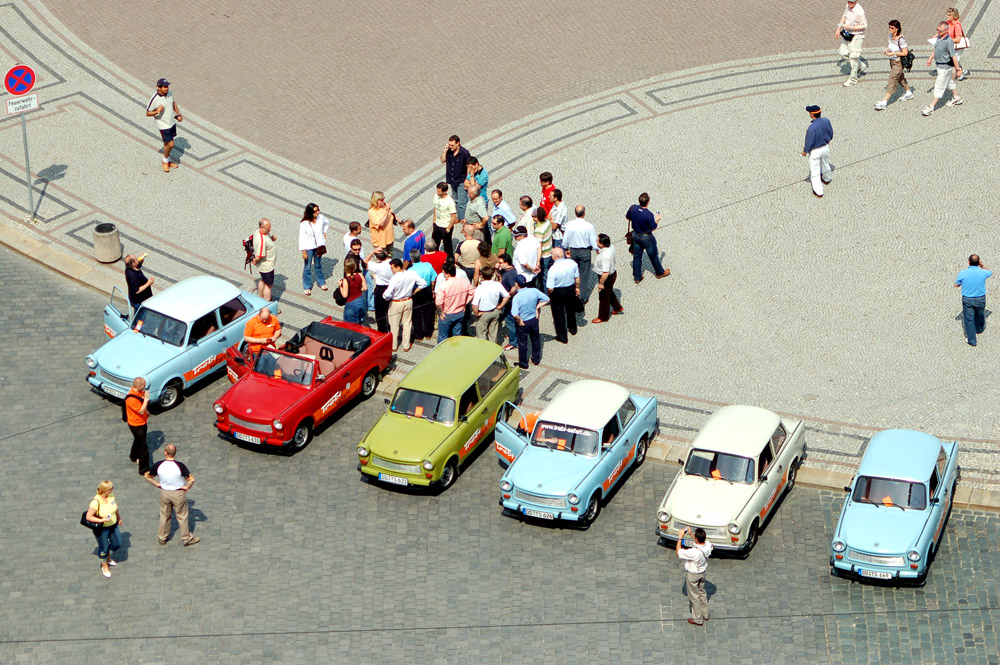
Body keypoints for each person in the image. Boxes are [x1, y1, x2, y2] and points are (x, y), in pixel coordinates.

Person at [144, 444, 199, 546]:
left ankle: (162, 537)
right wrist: (186, 487)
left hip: (164, 493)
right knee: (182, 516)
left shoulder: (158, 465)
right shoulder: (180, 466)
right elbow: (191, 479)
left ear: (165, 452)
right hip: (178, 493)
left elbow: (147, 476)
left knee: (164, 515)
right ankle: (186, 538)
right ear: (175, 453)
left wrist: (157, 484)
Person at [384, 259, 427, 352]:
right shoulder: (412, 273)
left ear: (398, 267)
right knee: (407, 323)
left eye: (392, 268)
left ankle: (394, 346)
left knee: (394, 325)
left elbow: (387, 294)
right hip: (408, 300)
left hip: (396, 302)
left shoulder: (394, 278)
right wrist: (414, 291)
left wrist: (386, 298)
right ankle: (406, 345)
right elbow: (423, 283)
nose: (392, 271)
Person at [922, 22, 964, 116]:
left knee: (939, 86)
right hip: (940, 65)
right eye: (937, 30)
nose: (938, 32)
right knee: (949, 82)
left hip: (945, 67)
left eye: (940, 30)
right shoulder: (938, 38)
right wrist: (930, 58)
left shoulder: (949, 41)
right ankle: (956, 97)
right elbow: (936, 49)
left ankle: (931, 107)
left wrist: (958, 69)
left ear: (946, 30)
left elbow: (953, 56)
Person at [626, 193, 670, 282]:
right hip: (646, 237)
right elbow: (653, 227)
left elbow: (628, 217)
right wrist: (657, 220)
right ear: (648, 202)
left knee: (637, 256)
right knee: (653, 256)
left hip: (635, 234)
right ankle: (659, 272)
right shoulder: (648, 214)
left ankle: (637, 277)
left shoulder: (633, 208)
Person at [676, 527, 713, 626]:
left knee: (694, 597)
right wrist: (692, 534)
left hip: (693, 575)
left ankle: (697, 618)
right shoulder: (708, 545)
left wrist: (680, 538)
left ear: (696, 539)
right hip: (702, 572)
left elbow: (678, 552)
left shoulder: (694, 552)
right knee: (702, 592)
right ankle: (705, 614)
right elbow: (698, 543)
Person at [85, 480, 122, 578]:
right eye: (110, 489)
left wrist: (119, 517)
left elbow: (115, 507)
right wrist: (101, 520)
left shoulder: (111, 495)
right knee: (104, 548)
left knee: (117, 544)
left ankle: (108, 557)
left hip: (113, 524)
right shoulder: (95, 502)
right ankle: (104, 565)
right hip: (102, 529)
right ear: (105, 490)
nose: (112, 490)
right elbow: (88, 517)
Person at [511, 276, 550, 368]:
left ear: (517, 284)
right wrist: (537, 307)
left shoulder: (517, 297)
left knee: (522, 343)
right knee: (535, 339)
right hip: (533, 320)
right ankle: (536, 358)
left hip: (523, 322)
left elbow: (514, 314)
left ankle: (524, 363)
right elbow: (547, 299)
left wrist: (519, 321)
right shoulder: (534, 291)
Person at [874, 21, 914, 111]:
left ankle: (884, 102)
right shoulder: (891, 37)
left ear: (897, 28)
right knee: (900, 78)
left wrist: (894, 53)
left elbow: (905, 52)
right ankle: (909, 92)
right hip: (892, 61)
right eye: (889, 27)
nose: (890, 29)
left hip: (898, 63)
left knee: (892, 79)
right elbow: (890, 45)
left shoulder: (901, 39)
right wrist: (886, 49)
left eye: (892, 28)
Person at [563, 205, 599, 302]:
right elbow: (593, 241)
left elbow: (565, 240)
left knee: (572, 273)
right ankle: (583, 297)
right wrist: (597, 249)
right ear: (584, 213)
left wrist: (565, 248)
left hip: (573, 251)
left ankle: (572, 294)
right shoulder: (589, 226)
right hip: (585, 252)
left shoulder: (569, 225)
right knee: (584, 274)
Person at [145, 78, 182, 172]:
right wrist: (157, 111)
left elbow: (173, 103)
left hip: (171, 122)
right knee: (171, 144)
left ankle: (168, 160)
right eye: (165, 87)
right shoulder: (155, 99)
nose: (167, 88)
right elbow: (148, 113)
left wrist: (179, 114)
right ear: (159, 87)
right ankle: (165, 160)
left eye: (167, 86)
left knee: (167, 144)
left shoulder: (169, 93)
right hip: (163, 125)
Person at [955, 254, 992, 346]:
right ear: (978, 262)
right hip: (980, 298)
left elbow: (956, 284)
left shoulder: (963, 273)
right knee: (980, 313)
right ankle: (979, 329)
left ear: (969, 262)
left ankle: (972, 340)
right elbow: (990, 272)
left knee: (969, 319)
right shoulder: (983, 272)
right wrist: (982, 266)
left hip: (968, 299)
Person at [545, 247, 580, 344]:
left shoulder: (553, 270)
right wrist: (577, 288)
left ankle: (562, 336)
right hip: (570, 288)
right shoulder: (572, 263)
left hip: (558, 292)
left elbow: (550, 288)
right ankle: (573, 328)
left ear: (554, 257)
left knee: (558, 314)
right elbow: (577, 277)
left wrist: (549, 294)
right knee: (570, 310)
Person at [435, 262, 473, 341]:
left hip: (447, 314)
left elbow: (438, 303)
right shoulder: (464, 281)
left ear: (447, 274)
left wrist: (441, 312)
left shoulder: (443, 285)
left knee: (443, 337)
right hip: (460, 312)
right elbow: (472, 293)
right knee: (457, 335)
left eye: (443, 273)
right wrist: (465, 303)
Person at [802, 106, 834, 198]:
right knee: (825, 163)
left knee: (815, 170)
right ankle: (827, 178)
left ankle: (818, 191)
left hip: (815, 151)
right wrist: (828, 140)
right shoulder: (826, 121)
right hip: (825, 147)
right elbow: (831, 133)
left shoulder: (812, 128)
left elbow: (809, 142)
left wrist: (805, 151)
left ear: (812, 114)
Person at [472, 265, 510, 343]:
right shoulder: (497, 284)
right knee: (493, 334)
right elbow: (507, 296)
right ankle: (493, 350)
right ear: (492, 275)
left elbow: (475, 305)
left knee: (482, 334)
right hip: (495, 311)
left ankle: (485, 351)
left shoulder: (479, 288)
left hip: (483, 313)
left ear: (481, 276)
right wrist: (500, 306)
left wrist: (476, 313)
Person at [591, 234, 624, 323]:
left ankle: (603, 317)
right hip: (612, 274)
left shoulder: (605, 256)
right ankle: (617, 307)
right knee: (609, 291)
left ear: (601, 244)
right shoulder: (610, 247)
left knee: (603, 297)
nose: (595, 241)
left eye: (597, 241)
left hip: (606, 277)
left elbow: (605, 273)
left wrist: (601, 283)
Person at [408, 249, 438, 343]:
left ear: (411, 259)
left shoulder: (410, 270)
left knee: (416, 313)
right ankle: (428, 333)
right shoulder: (428, 265)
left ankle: (418, 334)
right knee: (428, 312)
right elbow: (433, 278)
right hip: (428, 289)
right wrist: (433, 289)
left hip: (416, 292)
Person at [299, 202, 328, 295]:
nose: (318, 212)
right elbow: (301, 238)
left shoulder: (321, 218)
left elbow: (327, 223)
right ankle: (307, 286)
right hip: (308, 247)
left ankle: (321, 282)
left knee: (318, 264)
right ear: (310, 212)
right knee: (307, 267)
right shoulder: (304, 223)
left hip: (319, 246)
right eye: (315, 211)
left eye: (318, 210)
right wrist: (303, 251)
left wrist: (324, 232)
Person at [836, 0, 868, 87]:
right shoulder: (848, 6)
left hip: (857, 36)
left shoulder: (860, 12)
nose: (850, 3)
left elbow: (864, 25)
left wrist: (850, 27)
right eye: (849, 1)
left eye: (852, 2)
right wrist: (839, 28)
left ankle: (853, 79)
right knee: (842, 52)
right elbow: (844, 16)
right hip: (848, 34)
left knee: (853, 58)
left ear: (856, 1)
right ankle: (860, 65)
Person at [125, 377, 151, 475]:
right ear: (139, 386)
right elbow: (140, 410)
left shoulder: (139, 392)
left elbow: (142, 406)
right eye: (144, 385)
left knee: (138, 440)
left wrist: (147, 411)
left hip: (142, 421)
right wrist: (146, 400)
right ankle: (144, 470)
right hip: (136, 425)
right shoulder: (131, 399)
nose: (145, 386)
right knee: (144, 448)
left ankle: (133, 456)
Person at [441, 135, 470, 220]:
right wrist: (445, 151)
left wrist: (467, 179)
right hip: (452, 180)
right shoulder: (449, 151)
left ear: (458, 143)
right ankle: (459, 217)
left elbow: (469, 166)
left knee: (462, 202)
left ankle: (464, 220)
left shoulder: (464, 153)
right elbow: (442, 160)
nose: (450, 147)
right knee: (455, 200)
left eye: (452, 145)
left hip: (461, 180)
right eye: (449, 144)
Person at [497, 253, 520, 351]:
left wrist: (509, 295)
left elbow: (514, 287)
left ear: (506, 263)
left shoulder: (509, 275)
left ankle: (513, 342)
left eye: (501, 262)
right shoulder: (510, 270)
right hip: (511, 300)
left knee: (510, 321)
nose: (499, 264)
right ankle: (513, 335)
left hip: (510, 301)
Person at [367, 249, 394, 333]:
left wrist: (372, 251)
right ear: (386, 253)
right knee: (390, 310)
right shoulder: (392, 263)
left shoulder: (377, 266)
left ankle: (382, 330)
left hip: (380, 289)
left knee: (380, 312)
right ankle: (392, 328)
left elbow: (365, 262)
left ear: (378, 258)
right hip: (392, 287)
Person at [339, 256, 368, 325]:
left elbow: (344, 295)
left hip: (351, 304)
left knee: (350, 325)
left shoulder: (346, 280)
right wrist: (358, 288)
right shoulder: (360, 275)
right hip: (360, 300)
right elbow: (365, 288)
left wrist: (340, 286)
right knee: (360, 321)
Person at [252, 218, 276, 301]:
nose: (270, 228)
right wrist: (255, 260)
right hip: (267, 267)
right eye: (268, 227)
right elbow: (259, 255)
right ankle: (267, 303)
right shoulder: (262, 240)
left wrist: (271, 239)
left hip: (263, 267)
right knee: (268, 286)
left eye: (270, 226)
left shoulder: (257, 232)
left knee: (263, 280)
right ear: (262, 228)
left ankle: (260, 297)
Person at [432, 182, 458, 256]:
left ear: (445, 191)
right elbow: (435, 207)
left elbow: (453, 216)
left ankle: (449, 262)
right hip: (437, 224)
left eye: (439, 191)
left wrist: (448, 228)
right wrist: (434, 220)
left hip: (446, 226)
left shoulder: (450, 202)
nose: (437, 192)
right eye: (437, 190)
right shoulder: (436, 196)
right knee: (434, 245)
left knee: (447, 247)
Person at [534, 207, 553, 287]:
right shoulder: (547, 222)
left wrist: (537, 261)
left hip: (543, 256)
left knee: (543, 278)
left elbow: (539, 247)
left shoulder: (538, 231)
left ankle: (545, 295)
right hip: (549, 252)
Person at [946, 8, 968, 80]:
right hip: (951, 45)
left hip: (957, 47)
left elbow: (958, 39)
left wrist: (948, 40)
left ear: (954, 16)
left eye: (949, 15)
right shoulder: (948, 23)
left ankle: (960, 73)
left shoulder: (957, 25)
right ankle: (962, 70)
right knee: (953, 60)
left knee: (955, 60)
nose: (947, 16)